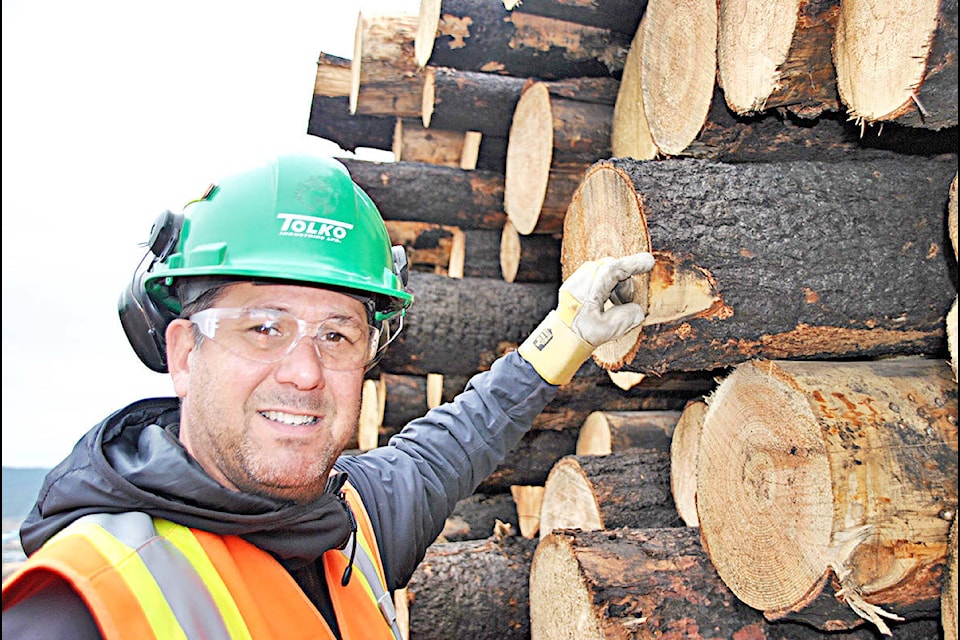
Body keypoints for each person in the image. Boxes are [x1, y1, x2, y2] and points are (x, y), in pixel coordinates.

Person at [1, 153, 655, 639]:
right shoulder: (79, 607)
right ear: (181, 353)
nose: (306, 372)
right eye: (263, 328)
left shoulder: (352, 524)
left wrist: (567, 334)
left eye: (337, 335)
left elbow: (459, 439)